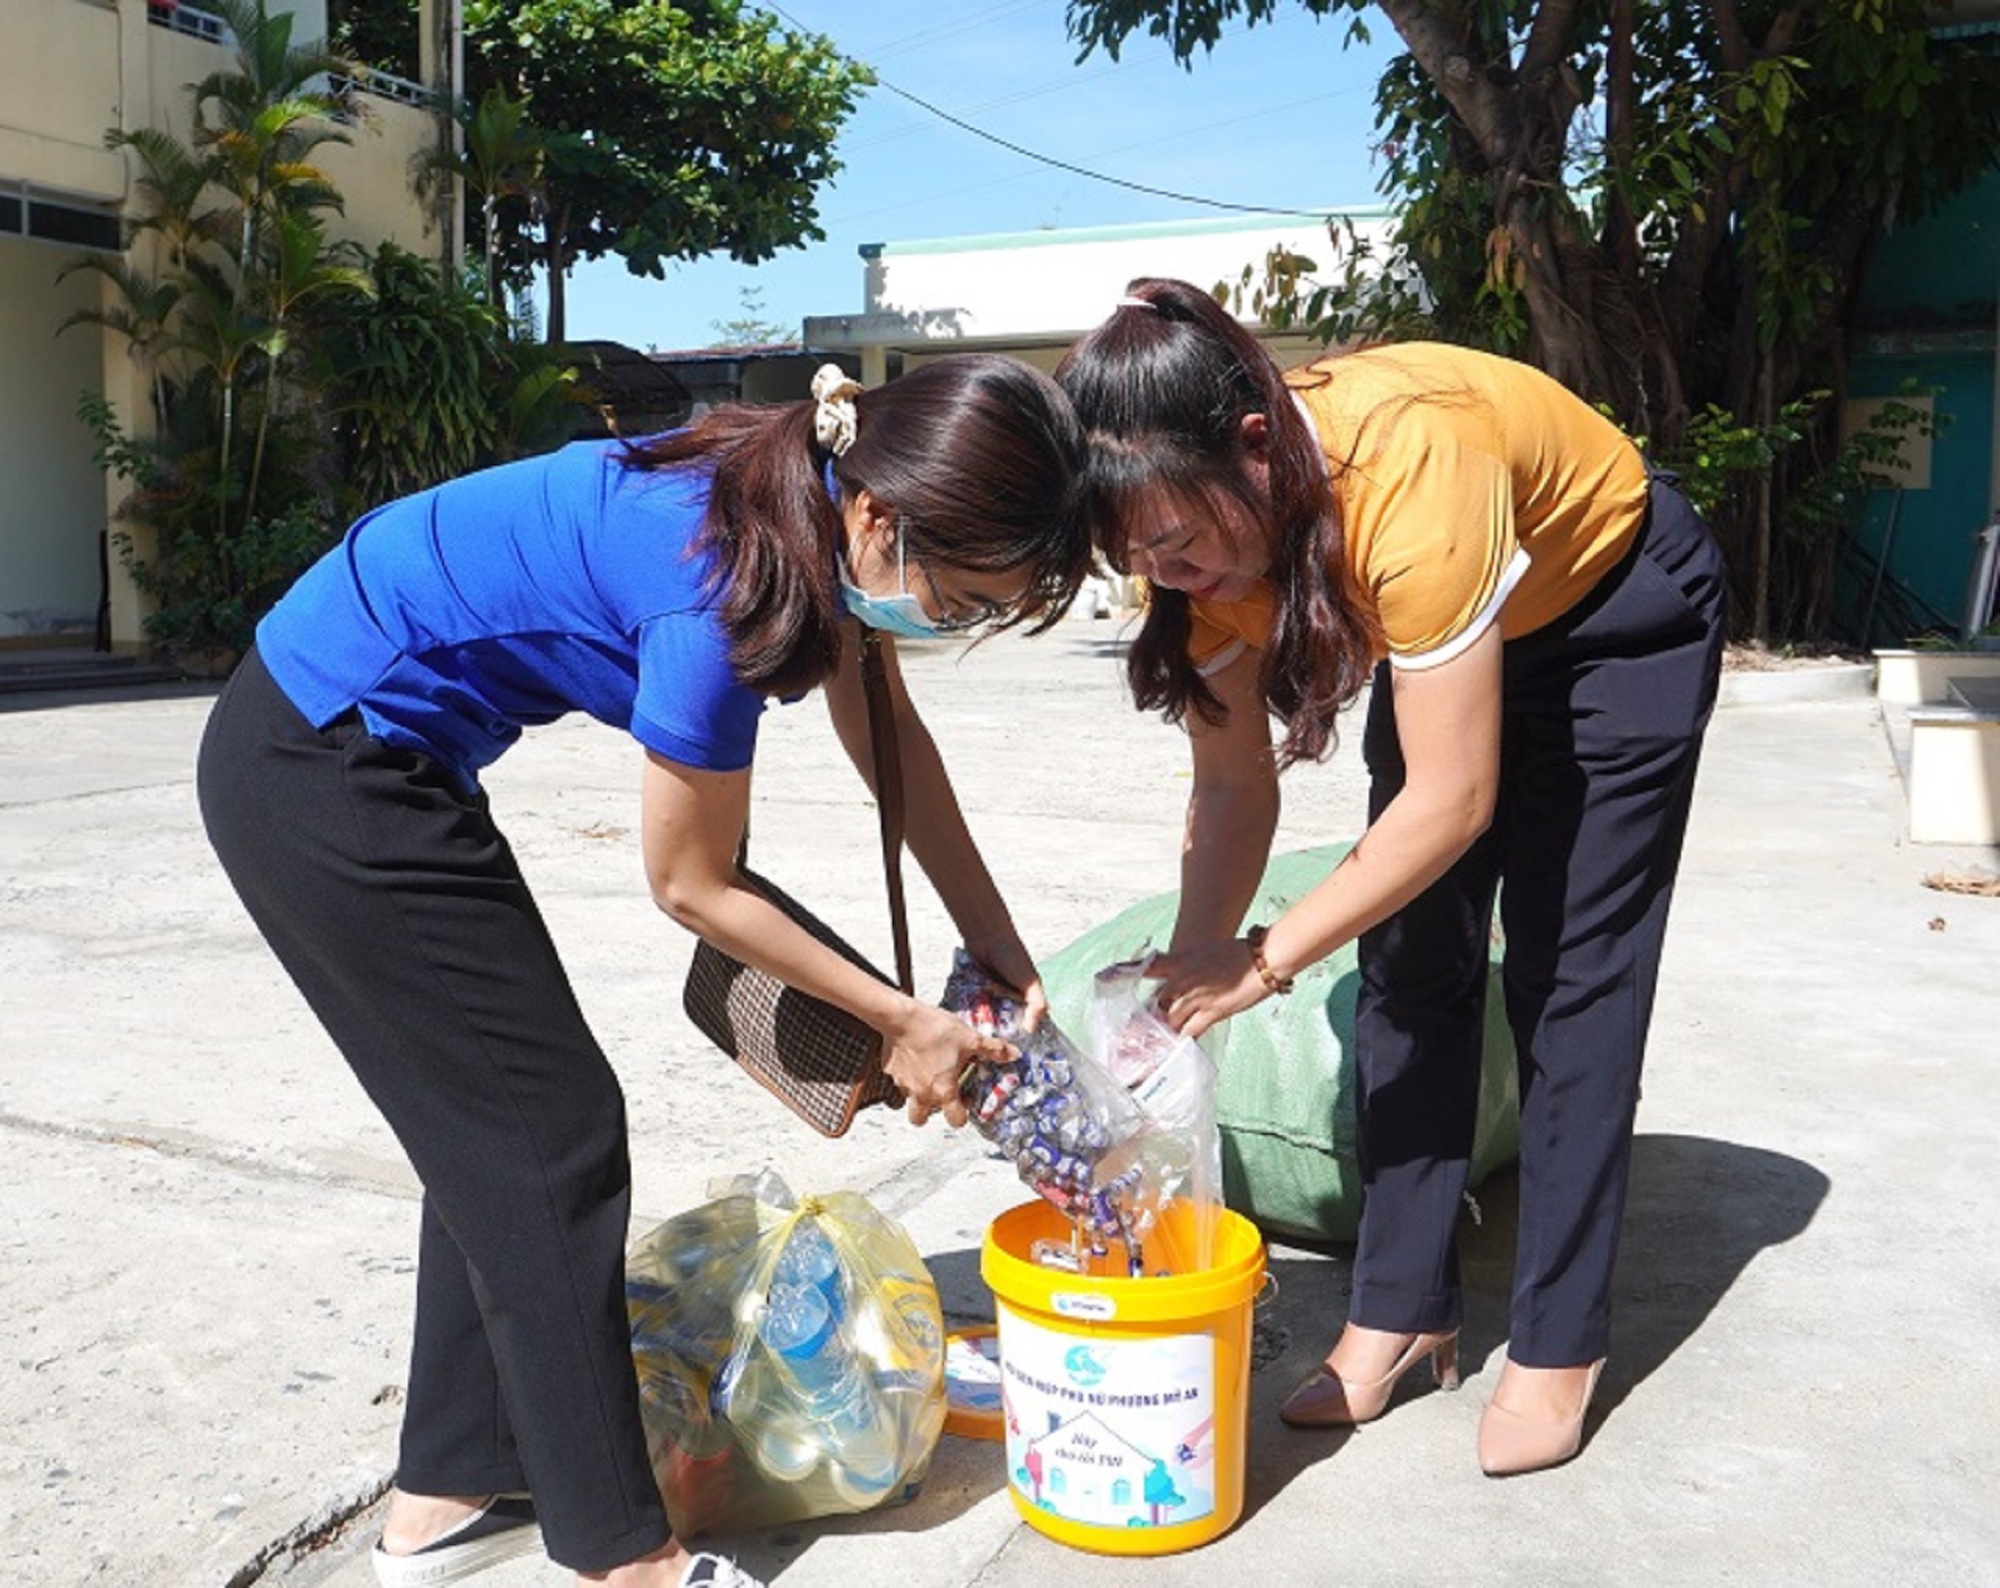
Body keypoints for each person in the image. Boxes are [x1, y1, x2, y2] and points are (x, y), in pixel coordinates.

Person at [196, 356, 1089, 1586]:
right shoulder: (721, 586)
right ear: (879, 517)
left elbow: (895, 746)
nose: (963, 622)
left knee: (494, 1122)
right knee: (549, 1136)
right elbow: (689, 884)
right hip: (318, 761)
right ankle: (623, 1557)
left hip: (366, 747)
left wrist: (994, 945)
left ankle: (446, 1486)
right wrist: (897, 1024)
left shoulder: (805, 502)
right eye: (969, 595)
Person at [1056, 279, 1726, 1477]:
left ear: (1256, 450)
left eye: (1177, 541)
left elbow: (1452, 800)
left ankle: (1557, 1340)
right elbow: (1230, 787)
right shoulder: (1212, 547)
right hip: (1457, 635)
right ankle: (1400, 1309)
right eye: (1134, 554)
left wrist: (1263, 962)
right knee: (1409, 961)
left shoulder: (1403, 466)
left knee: (1569, 983)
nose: (1166, 572)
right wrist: (1191, 978)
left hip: (1611, 614)